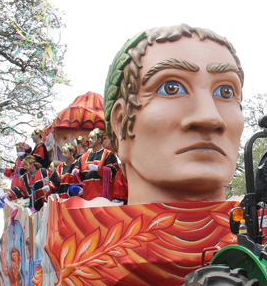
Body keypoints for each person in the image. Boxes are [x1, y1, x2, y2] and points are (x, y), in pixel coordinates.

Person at [104, 24, 244, 205]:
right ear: (120, 122)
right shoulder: (82, 223)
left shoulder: (260, 221)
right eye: (171, 88)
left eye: (226, 92)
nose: (210, 118)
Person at [71, 129, 118, 201]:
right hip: (87, 197)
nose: (89, 140)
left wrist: (98, 168)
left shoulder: (108, 154)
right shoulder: (83, 157)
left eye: (92, 138)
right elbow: (78, 172)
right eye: (89, 138)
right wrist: (76, 172)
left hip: (102, 198)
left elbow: (113, 172)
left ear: (99, 140)